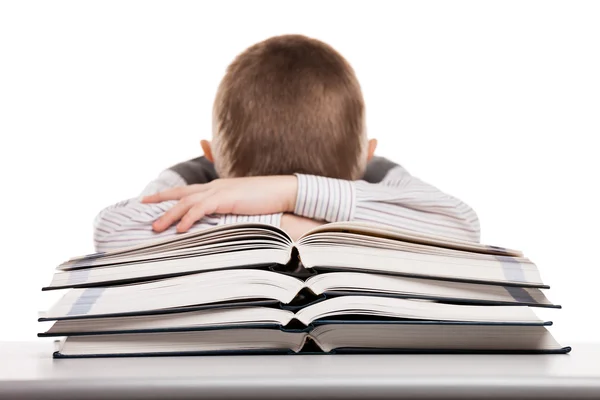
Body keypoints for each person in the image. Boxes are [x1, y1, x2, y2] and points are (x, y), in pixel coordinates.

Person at [93, 34, 480, 252]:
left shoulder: (386, 178)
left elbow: (462, 227)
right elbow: (112, 230)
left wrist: (290, 193)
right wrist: (295, 224)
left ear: (214, 154)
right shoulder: (191, 181)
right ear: (367, 153)